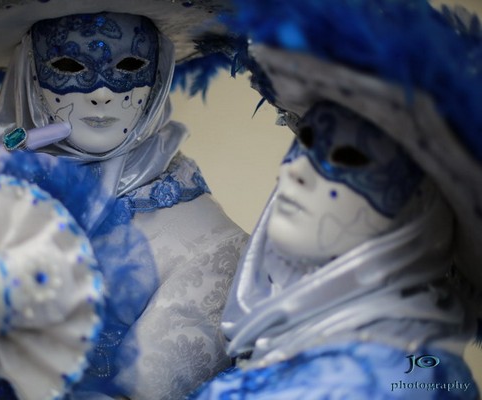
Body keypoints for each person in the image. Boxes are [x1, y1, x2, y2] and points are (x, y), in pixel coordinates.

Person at [0, 2, 247, 399]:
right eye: (71, 66)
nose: (103, 93)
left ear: (158, 74)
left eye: (128, 67)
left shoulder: (210, 244)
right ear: (29, 72)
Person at [192, 0, 482, 398]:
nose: (294, 170)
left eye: (348, 158)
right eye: (306, 140)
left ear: (422, 208)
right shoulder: (315, 334)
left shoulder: (385, 379)